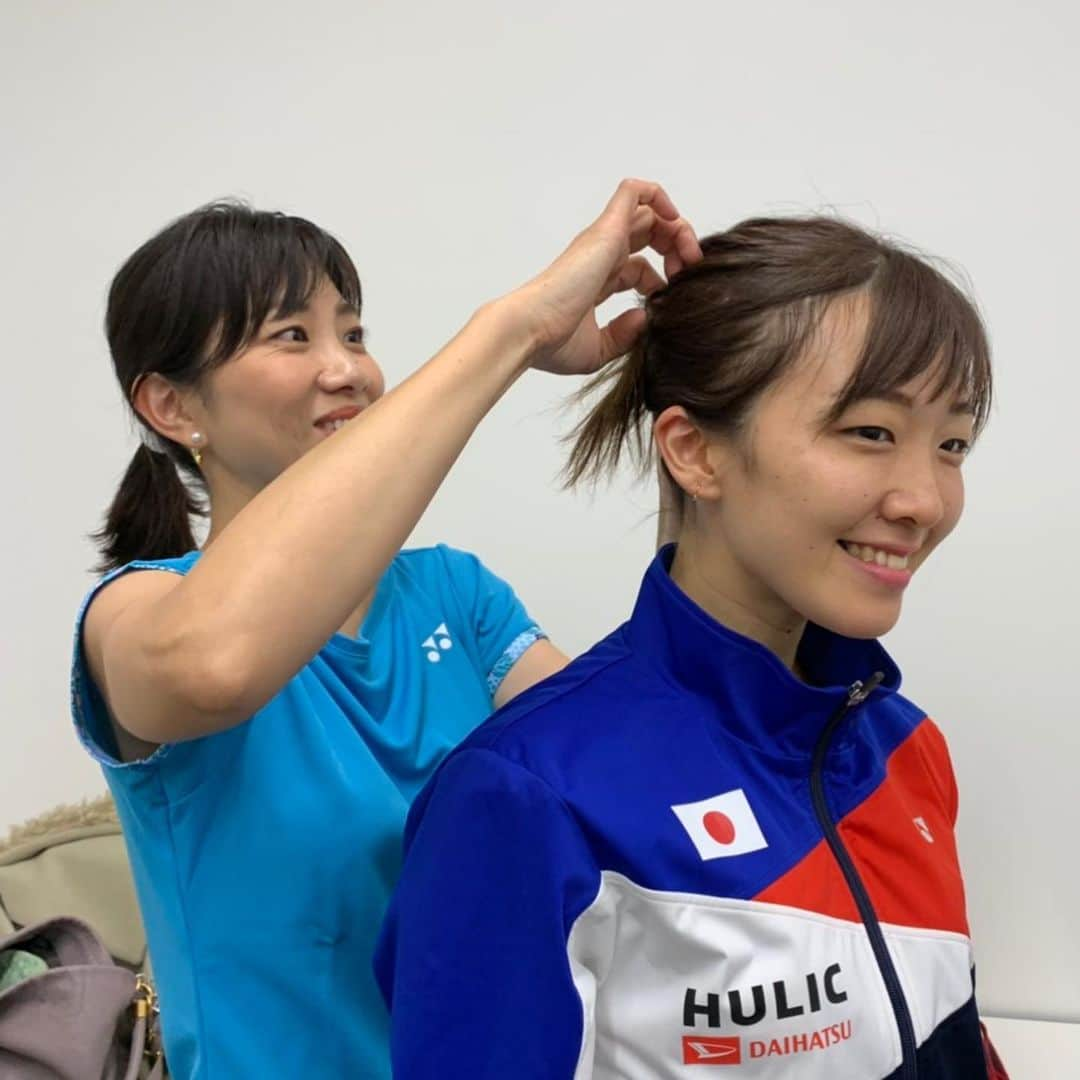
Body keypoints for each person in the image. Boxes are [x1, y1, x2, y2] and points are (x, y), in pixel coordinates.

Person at [70, 180, 701, 1079]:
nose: (350, 369)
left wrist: (700, 454)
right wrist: (513, 330)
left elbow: (634, 770)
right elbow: (215, 667)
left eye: (354, 332)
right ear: (174, 408)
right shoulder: (136, 615)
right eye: (294, 335)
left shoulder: (455, 596)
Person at [375, 217, 1011, 1079]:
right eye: (870, 432)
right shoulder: (529, 795)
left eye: (952, 445)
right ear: (695, 451)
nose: (924, 501)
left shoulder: (909, 750)